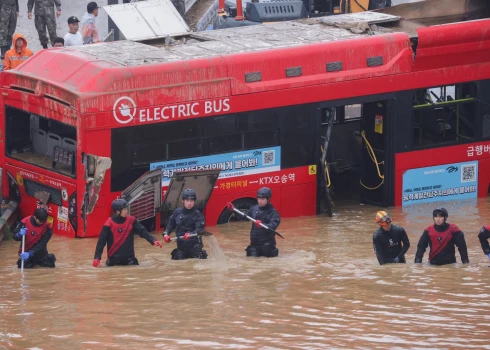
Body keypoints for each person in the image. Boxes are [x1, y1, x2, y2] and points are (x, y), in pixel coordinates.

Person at [93, 199, 162, 267]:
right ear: (117, 211)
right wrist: (97, 258)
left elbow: (142, 231)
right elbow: (101, 243)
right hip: (113, 262)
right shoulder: (108, 224)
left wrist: (153, 240)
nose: (127, 211)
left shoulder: (131, 220)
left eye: (126, 209)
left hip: (130, 260)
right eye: (124, 210)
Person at [162, 188, 207, 260]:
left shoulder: (198, 215)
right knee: (177, 258)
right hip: (181, 248)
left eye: (191, 201)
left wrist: (190, 234)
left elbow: (200, 230)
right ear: (183, 201)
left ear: (194, 201)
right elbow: (170, 225)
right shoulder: (177, 212)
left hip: (195, 248)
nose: (189, 203)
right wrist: (166, 234)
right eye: (187, 200)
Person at [235, 187, 281, 258]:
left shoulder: (273, 213)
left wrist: (262, 225)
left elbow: (273, 226)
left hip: (267, 246)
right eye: (258, 198)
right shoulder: (254, 208)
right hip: (254, 245)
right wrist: (234, 210)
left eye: (262, 199)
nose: (260, 201)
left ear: (268, 199)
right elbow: (245, 217)